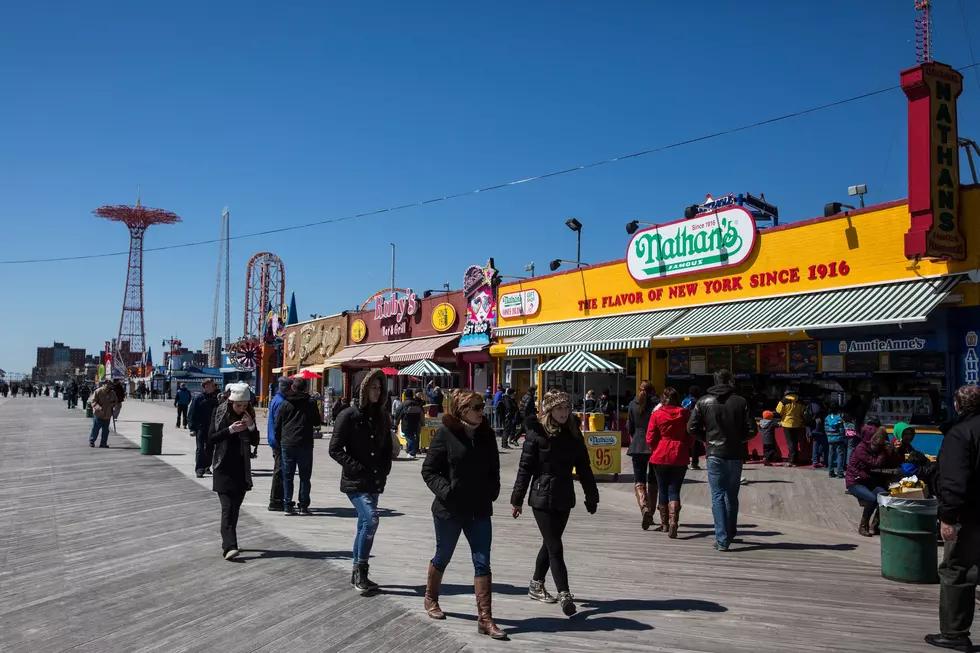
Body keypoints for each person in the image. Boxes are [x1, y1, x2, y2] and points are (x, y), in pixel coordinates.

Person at [420, 389, 505, 639]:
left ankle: (485, 619)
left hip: (479, 508)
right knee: (442, 555)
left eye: (482, 406)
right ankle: (431, 598)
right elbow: (429, 471)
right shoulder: (445, 434)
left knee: (482, 561)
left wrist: (493, 490)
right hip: (450, 509)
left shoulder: (487, 435)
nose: (482, 411)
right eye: (476, 407)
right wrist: (447, 492)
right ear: (462, 410)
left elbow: (494, 469)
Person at [511, 389, 598, 617]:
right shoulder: (536, 433)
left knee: (551, 543)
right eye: (559, 408)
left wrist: (592, 495)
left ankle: (536, 584)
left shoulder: (573, 434)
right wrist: (517, 499)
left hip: (564, 495)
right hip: (541, 496)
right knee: (555, 546)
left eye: (567, 408)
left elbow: (584, 468)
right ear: (549, 410)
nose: (564, 412)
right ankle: (565, 595)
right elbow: (525, 468)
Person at [926, 385, 980, 652]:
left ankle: (955, 633)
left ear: (958, 406)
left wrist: (947, 518)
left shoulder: (960, 434)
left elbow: (954, 483)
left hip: (969, 516)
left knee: (956, 570)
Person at [329, 369, 393, 594]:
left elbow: (387, 447)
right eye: (373, 387)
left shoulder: (382, 415)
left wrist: (385, 469)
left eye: (380, 387)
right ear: (363, 389)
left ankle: (358, 571)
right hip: (355, 481)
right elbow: (334, 449)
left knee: (363, 524)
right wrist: (355, 467)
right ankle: (362, 570)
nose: (378, 391)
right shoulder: (348, 415)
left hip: (374, 479)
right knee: (371, 520)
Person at [687, 369, 758, 551]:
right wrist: (737, 439)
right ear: (730, 381)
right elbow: (752, 430)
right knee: (731, 495)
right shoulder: (741, 401)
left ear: (714, 381)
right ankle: (730, 532)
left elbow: (692, 428)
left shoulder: (703, 401)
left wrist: (707, 439)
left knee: (718, 495)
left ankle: (722, 538)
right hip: (735, 454)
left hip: (714, 453)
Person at [207, 382, 258, 560]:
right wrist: (230, 430)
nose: (241, 408)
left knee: (235, 509)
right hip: (223, 467)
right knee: (227, 508)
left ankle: (227, 541)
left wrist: (251, 426)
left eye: (244, 405)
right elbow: (211, 438)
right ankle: (230, 546)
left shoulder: (248, 413)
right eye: (238, 405)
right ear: (231, 402)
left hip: (241, 469)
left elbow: (255, 441)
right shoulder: (219, 412)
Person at [647, 387, 693, 538]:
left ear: (663, 400)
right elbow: (691, 434)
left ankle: (665, 524)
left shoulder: (656, 414)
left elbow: (650, 437)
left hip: (661, 453)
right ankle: (674, 521)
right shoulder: (686, 414)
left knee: (662, 489)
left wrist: (656, 448)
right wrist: (685, 446)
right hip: (679, 453)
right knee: (675, 490)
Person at [845, 427, 907, 537]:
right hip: (855, 481)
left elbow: (892, 463)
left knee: (885, 496)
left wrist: (895, 450)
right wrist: (883, 452)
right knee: (872, 499)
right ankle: (863, 525)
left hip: (868, 481)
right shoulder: (861, 449)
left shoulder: (878, 449)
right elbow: (875, 463)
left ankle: (876, 524)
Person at [275, 377, 322, 516]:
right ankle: (303, 505)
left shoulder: (285, 404)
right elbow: (316, 422)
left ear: (293, 388)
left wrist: (279, 441)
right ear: (306, 388)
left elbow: (277, 425)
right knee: (305, 476)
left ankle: (288, 505)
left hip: (288, 443)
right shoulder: (310, 403)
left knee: (288, 475)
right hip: (305, 442)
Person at [626, 381, 659, 530]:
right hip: (654, 446)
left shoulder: (633, 404)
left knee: (639, 480)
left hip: (638, 445)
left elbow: (630, 427)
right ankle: (651, 513)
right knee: (653, 479)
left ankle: (644, 508)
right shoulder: (657, 405)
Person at [266, 377, 293, 511]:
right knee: (280, 470)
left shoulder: (276, 399)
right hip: (278, 441)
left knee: (280, 469)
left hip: (274, 439)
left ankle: (277, 499)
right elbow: (279, 424)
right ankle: (275, 500)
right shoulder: (281, 402)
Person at [189, 378, 220, 478]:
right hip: (200, 428)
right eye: (212, 385)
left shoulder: (215, 399)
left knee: (210, 448)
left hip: (212, 428)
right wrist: (192, 428)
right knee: (200, 449)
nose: (214, 387)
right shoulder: (198, 398)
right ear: (206, 386)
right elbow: (192, 413)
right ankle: (199, 469)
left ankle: (207, 466)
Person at [776, 390, 805, 467]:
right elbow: (803, 412)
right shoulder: (799, 401)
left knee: (790, 442)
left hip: (787, 423)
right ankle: (795, 458)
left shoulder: (783, 401)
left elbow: (778, 411)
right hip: (797, 423)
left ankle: (792, 460)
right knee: (795, 442)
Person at [394, 389, 425, 460]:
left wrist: (396, 423)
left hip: (406, 424)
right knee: (412, 437)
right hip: (416, 423)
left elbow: (397, 414)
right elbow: (422, 414)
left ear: (405, 396)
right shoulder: (417, 404)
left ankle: (411, 452)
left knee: (410, 438)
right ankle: (409, 450)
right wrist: (422, 423)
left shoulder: (404, 404)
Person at [88, 380, 118, 448]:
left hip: (107, 414)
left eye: (110, 386)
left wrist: (113, 404)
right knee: (95, 429)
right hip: (99, 414)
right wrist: (98, 408)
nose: (109, 388)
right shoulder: (98, 391)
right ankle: (92, 441)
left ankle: (103, 443)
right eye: (108, 386)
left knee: (105, 430)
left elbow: (115, 401)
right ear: (104, 385)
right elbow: (93, 402)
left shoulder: (112, 393)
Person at [683, 386, 705, 469]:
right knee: (695, 444)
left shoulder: (684, 400)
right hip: (694, 424)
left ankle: (684, 462)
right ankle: (694, 463)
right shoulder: (697, 401)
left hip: (685, 423)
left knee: (685, 443)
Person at [825, 403, 846, 479]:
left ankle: (831, 471)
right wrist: (843, 437)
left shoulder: (827, 418)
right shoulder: (839, 418)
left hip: (830, 439)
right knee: (840, 455)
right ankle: (840, 472)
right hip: (839, 439)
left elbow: (826, 429)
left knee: (831, 455)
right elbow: (841, 429)